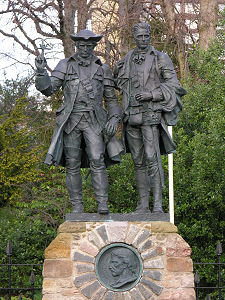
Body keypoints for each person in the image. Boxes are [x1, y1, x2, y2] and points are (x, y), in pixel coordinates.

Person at [35, 29, 123, 214]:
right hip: (71, 120)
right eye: (81, 45)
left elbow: (112, 100)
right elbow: (49, 89)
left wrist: (114, 118)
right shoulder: (65, 65)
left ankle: (102, 204)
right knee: (72, 163)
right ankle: (77, 206)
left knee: (97, 159)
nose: (84, 49)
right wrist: (41, 71)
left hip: (94, 120)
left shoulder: (102, 68)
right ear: (76, 46)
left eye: (88, 46)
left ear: (93, 46)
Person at [114, 22, 186, 213]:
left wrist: (152, 94)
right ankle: (143, 205)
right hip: (131, 116)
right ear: (134, 37)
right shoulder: (127, 59)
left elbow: (174, 85)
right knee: (138, 161)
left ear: (150, 36)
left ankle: (158, 206)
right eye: (140, 37)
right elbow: (117, 84)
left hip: (151, 114)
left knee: (152, 158)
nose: (144, 40)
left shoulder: (160, 58)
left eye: (146, 36)